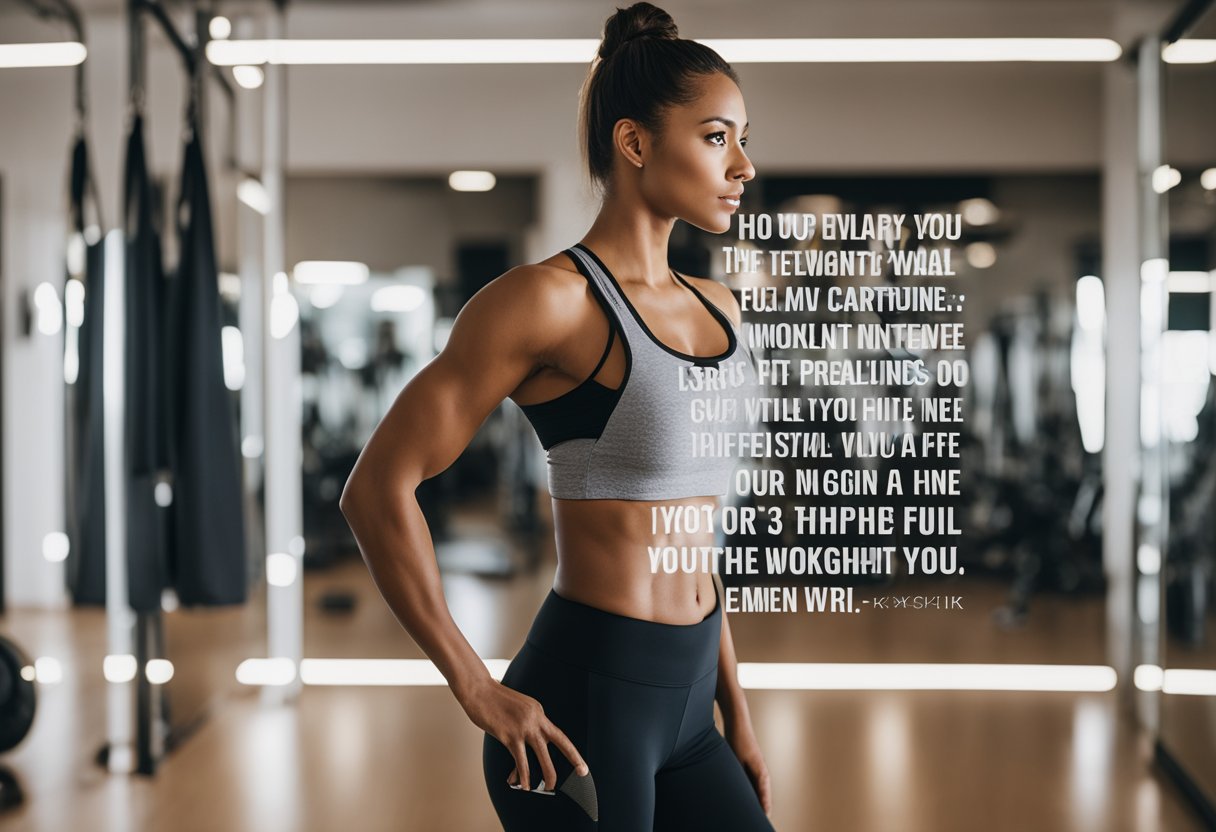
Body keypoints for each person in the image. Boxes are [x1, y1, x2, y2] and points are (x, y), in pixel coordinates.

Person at [340, 3, 774, 829]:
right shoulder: (547, 302)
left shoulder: (720, 308)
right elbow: (375, 489)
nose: (744, 164)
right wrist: (475, 685)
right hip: (584, 708)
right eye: (718, 137)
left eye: (744, 137)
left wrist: (736, 713)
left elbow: (694, 526)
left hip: (691, 706)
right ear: (636, 142)